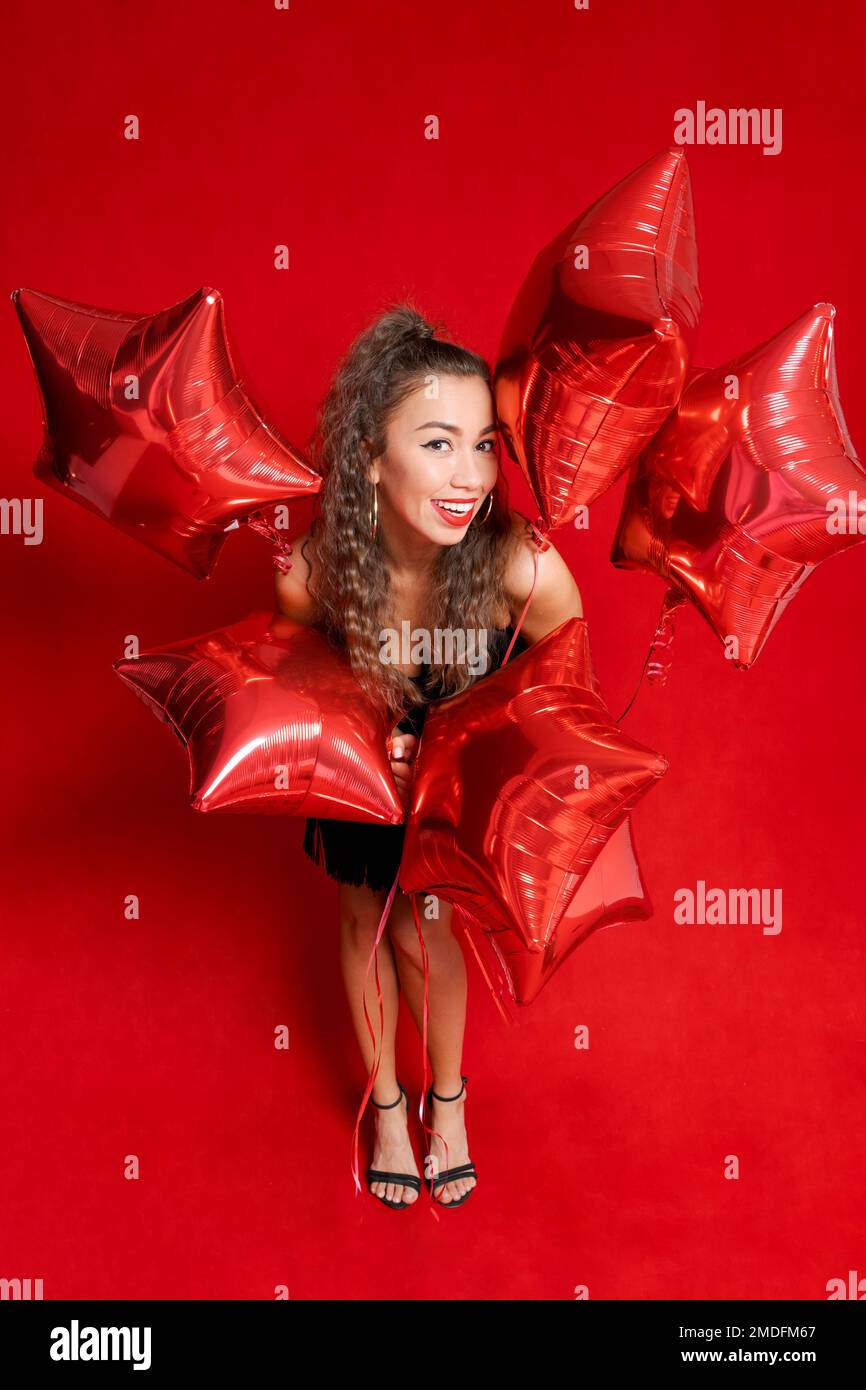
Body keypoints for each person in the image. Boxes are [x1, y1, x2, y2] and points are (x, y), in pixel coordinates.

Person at [275, 304, 583, 1209]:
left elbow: (567, 703)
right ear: (371, 455)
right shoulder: (312, 572)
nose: (471, 475)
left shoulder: (524, 568)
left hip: (459, 788)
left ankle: (446, 1102)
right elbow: (297, 686)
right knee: (364, 916)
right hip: (357, 779)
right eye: (441, 443)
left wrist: (462, 755)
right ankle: (386, 1104)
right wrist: (367, 747)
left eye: (485, 445)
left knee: (428, 929)